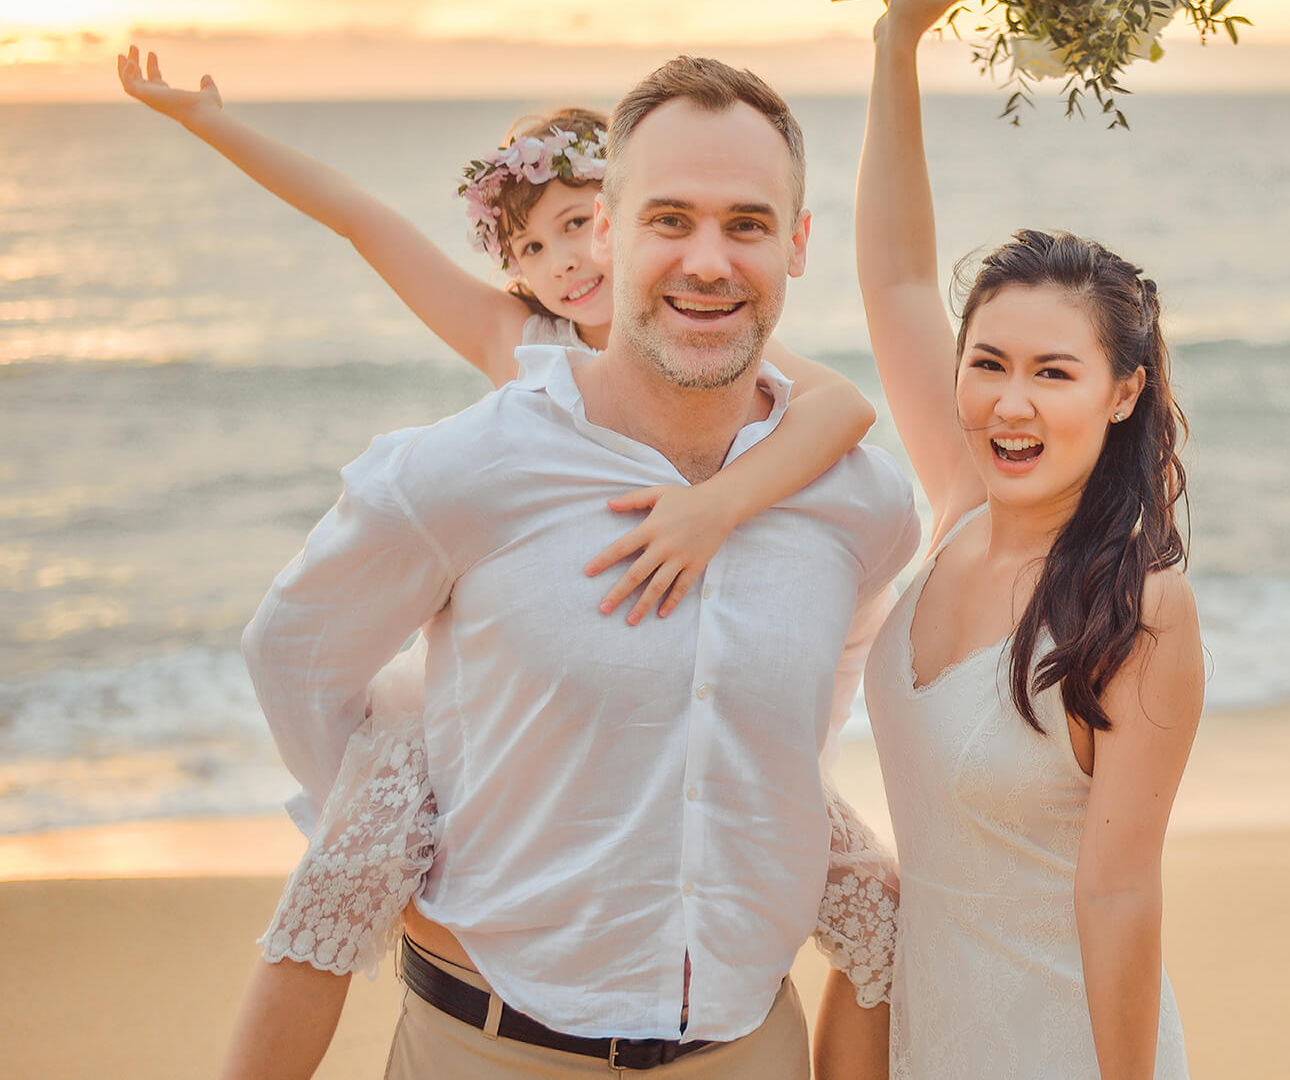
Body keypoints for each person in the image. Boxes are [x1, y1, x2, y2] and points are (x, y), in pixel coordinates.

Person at [221, 54, 918, 1077]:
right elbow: (294, 654)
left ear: (797, 243)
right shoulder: (461, 468)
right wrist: (417, 813)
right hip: (489, 1046)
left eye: (748, 224)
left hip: (746, 1045)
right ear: (618, 227)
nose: (709, 261)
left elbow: (837, 666)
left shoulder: (861, 501)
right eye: (669, 219)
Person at [855, 0, 1204, 1079]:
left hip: (1060, 1046)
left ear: (1121, 391)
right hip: (925, 1030)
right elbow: (898, 278)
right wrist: (896, 47)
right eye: (986, 362)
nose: (1010, 400)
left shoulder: (1134, 606)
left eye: (1053, 372)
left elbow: (1115, 889)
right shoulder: (959, 502)